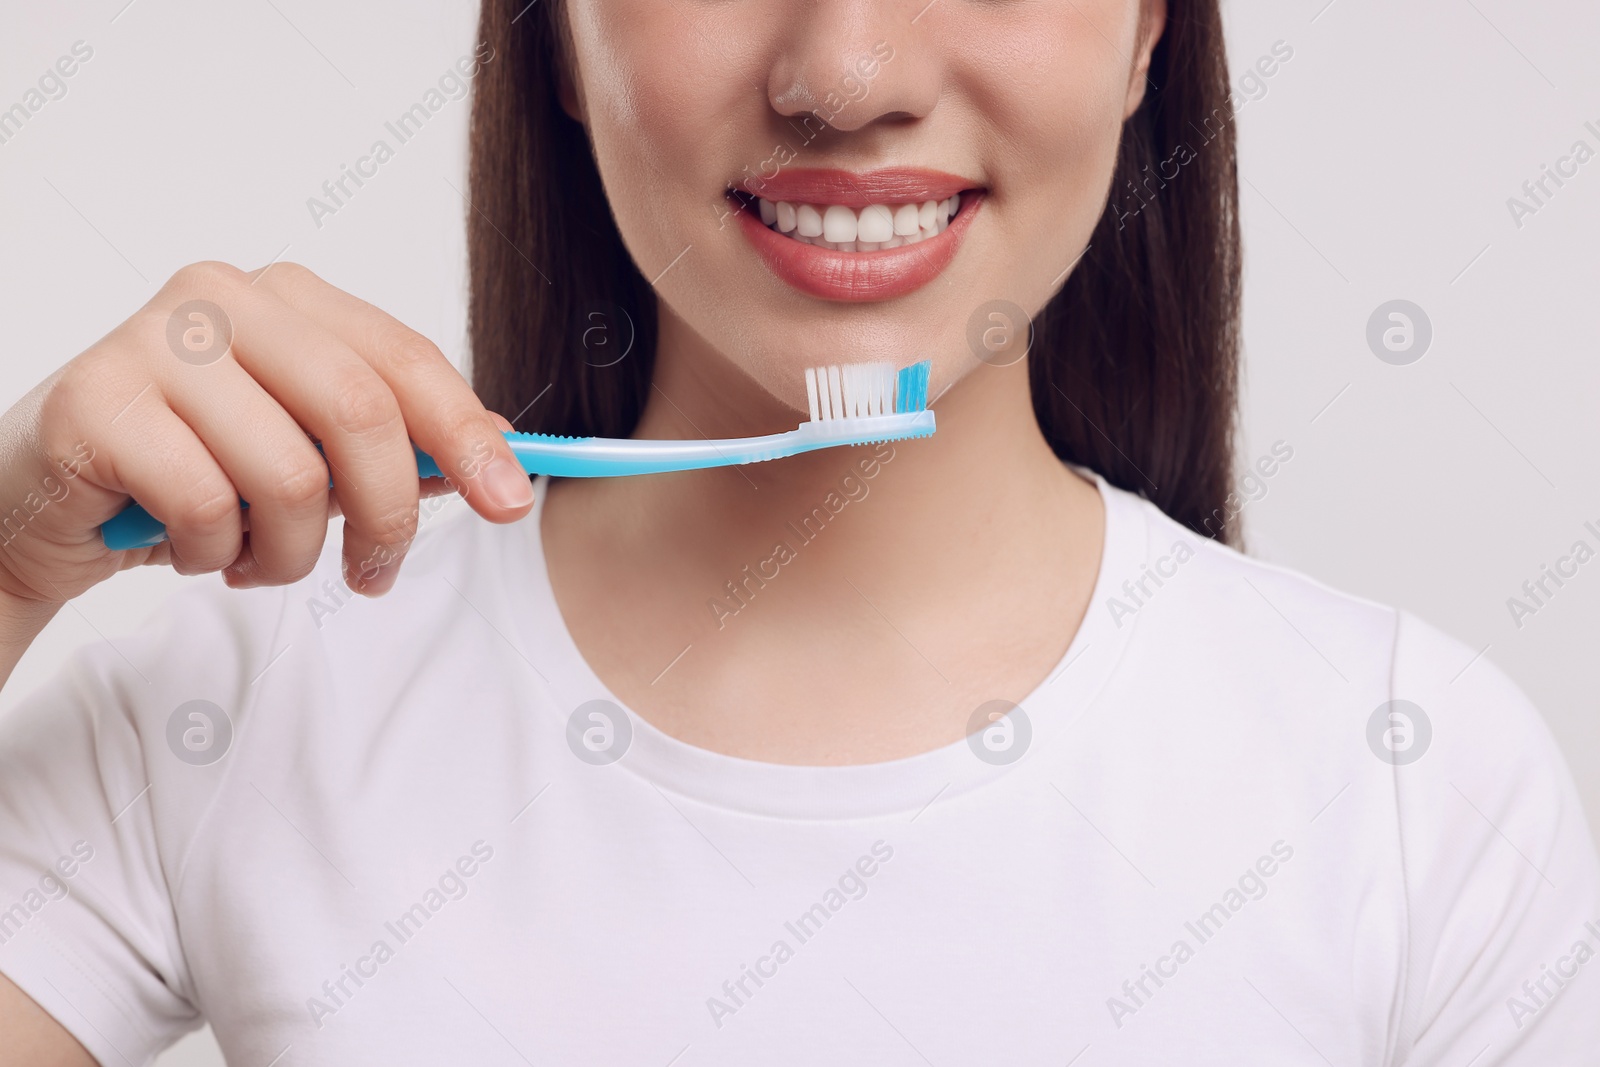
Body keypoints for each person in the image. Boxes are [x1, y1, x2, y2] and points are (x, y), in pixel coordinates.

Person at [1, 0, 1595, 1063]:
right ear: (556, 36)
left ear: (1143, 38)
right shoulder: (233, 705)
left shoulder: (1416, 791)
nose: (846, 75)